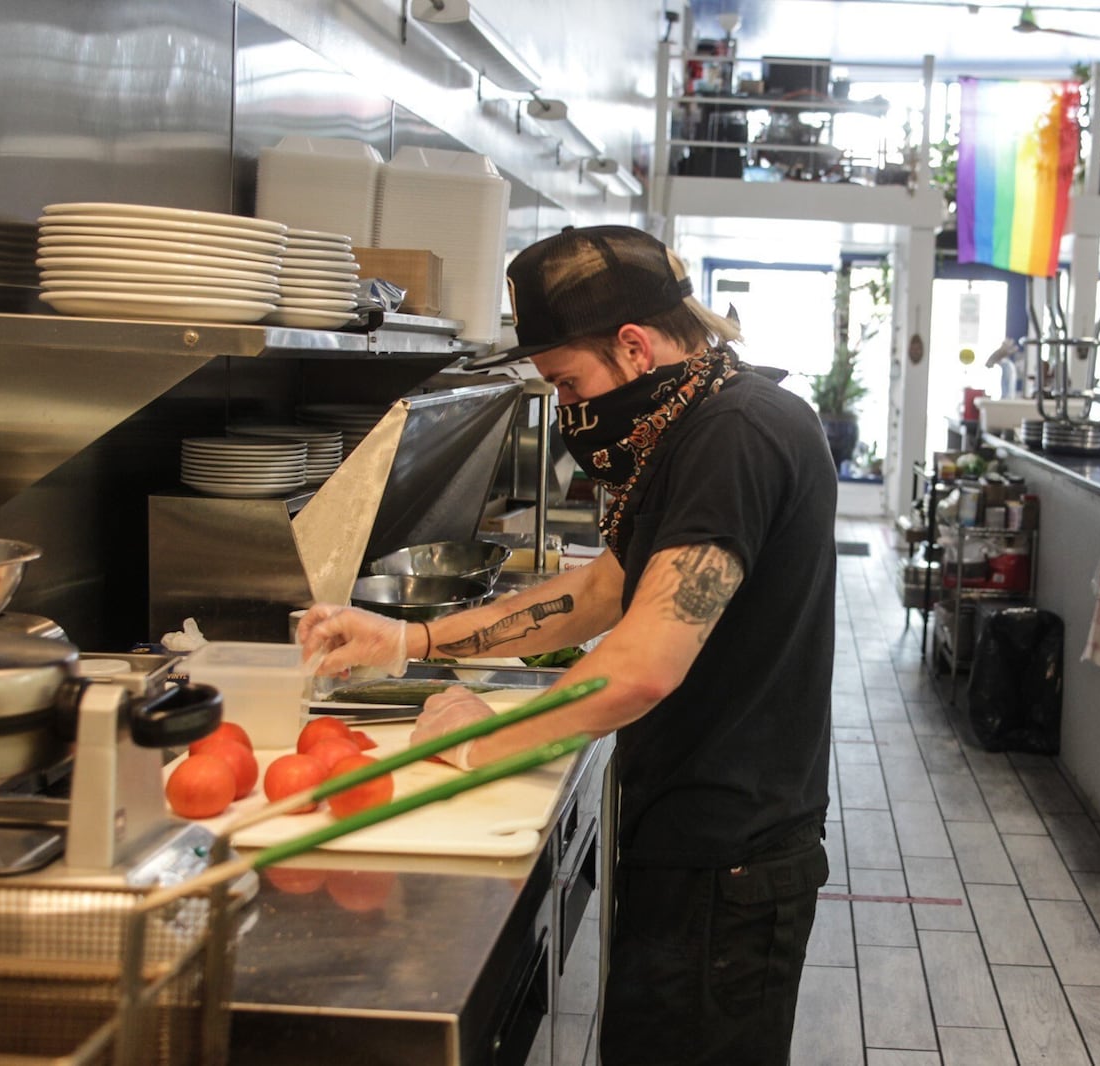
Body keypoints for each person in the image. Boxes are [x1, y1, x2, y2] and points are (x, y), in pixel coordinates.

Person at [298, 225, 836, 1065]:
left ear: (632, 345)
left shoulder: (739, 436)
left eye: (566, 383)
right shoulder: (701, 417)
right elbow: (600, 592)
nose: (569, 411)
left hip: (727, 857)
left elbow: (646, 664)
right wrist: (410, 637)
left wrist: (480, 742)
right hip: (695, 832)